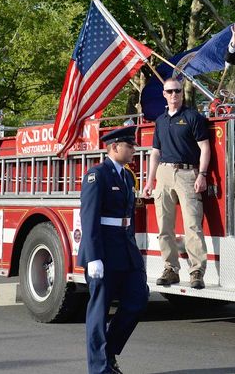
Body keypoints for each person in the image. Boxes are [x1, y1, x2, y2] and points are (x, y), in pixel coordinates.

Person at [78, 126, 149, 374]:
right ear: (114, 147)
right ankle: (99, 368)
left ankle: (108, 352)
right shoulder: (97, 176)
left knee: (138, 299)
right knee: (99, 311)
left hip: (125, 248)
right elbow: (89, 218)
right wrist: (93, 256)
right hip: (104, 251)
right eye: (129, 146)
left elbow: (128, 217)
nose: (133, 150)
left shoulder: (127, 177)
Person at [144, 78, 210, 289]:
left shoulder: (193, 117)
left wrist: (202, 174)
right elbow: (155, 153)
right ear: (164, 94)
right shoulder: (160, 121)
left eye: (177, 91)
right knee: (164, 226)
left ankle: (197, 271)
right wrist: (149, 181)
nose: (174, 95)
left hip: (187, 173)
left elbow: (205, 148)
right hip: (163, 173)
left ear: (182, 93)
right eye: (170, 91)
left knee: (192, 224)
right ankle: (170, 269)